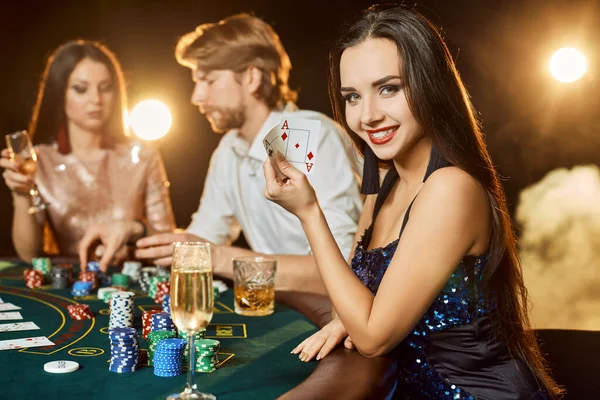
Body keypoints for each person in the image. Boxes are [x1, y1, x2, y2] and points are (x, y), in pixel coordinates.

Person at [263, 5, 562, 399]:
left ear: (430, 85)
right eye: (353, 96)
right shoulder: (384, 184)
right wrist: (349, 318)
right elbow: (350, 302)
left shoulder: (451, 188)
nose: (368, 116)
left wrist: (308, 212)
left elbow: (371, 338)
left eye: (389, 88)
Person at [135, 13, 362, 294]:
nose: (196, 97)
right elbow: (202, 240)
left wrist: (217, 257)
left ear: (252, 77)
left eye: (208, 81)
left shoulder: (305, 133)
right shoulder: (229, 149)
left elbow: (344, 269)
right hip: (281, 304)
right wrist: (138, 232)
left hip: (344, 314)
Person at [0, 40, 175, 271]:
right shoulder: (39, 160)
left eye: (106, 88)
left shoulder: (142, 155)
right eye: (81, 89)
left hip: (131, 278)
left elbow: (166, 239)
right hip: (70, 282)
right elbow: (29, 254)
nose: (96, 100)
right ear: (60, 94)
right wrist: (21, 195)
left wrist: (134, 229)